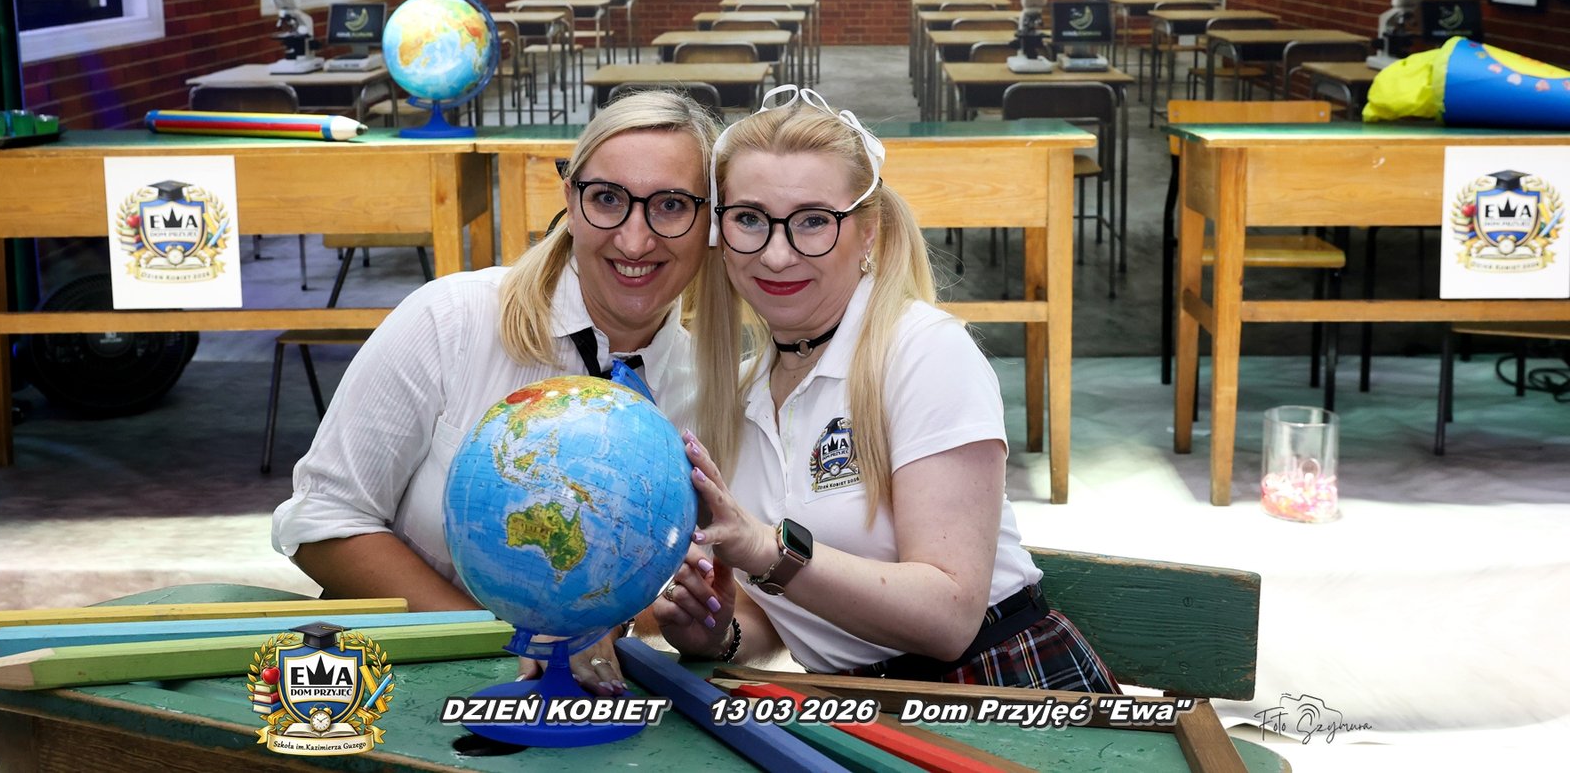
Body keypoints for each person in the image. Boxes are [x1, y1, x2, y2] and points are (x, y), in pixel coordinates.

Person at [271, 89, 736, 694]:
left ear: (712, 221)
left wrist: (689, 624)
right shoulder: (451, 320)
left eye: (671, 206)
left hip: (573, 702)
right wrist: (510, 642)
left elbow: (646, 591)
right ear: (570, 199)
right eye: (606, 199)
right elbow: (322, 522)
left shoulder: (710, 390)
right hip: (396, 685)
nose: (634, 240)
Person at [653, 86, 1118, 691]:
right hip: (856, 702)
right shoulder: (733, 395)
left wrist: (768, 549)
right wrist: (719, 633)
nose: (776, 254)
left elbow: (949, 619)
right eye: (749, 219)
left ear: (868, 232)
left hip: (1000, 686)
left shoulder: (924, 351)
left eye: (814, 221)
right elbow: (792, 614)